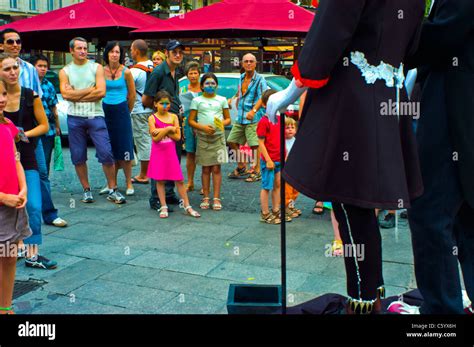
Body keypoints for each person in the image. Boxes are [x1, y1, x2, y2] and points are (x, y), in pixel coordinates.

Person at [267, 0, 425, 314]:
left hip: (351, 97)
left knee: (350, 205)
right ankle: (370, 296)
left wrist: (288, 94)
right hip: (386, 96)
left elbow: (326, 36)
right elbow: (412, 49)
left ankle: (363, 302)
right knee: (359, 207)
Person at [390, 0, 474, 314]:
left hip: (454, 110)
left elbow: (443, 34)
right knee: (465, 216)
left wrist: (391, 38)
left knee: (429, 212)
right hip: (457, 106)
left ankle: (441, 313)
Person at [1, 30, 67, 229]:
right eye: (10, 41)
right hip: (7, 135)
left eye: (18, 41)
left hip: (29, 134)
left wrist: (26, 133)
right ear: (2, 45)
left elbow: (36, 98)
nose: (15, 44)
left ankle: (48, 213)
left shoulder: (29, 68)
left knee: (40, 175)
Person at [1, 53, 58, 270]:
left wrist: (20, 134)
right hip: (4, 161)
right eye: (7, 69)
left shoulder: (29, 94)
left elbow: (44, 125)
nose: (13, 72)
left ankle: (32, 254)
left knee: (33, 205)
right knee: (8, 207)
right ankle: (11, 249)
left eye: (15, 67)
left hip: (26, 155)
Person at [59, 37, 125, 204]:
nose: (83, 51)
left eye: (85, 48)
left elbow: (101, 92)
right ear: (71, 51)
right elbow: (66, 95)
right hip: (75, 118)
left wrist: (76, 95)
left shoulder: (96, 67)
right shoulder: (65, 71)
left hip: (96, 115)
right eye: (79, 48)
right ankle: (86, 189)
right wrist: (90, 89)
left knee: (106, 153)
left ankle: (113, 189)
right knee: (78, 155)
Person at [0, 80, 31, 314]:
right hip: (4, 202)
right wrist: (3, 197)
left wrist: (23, 189)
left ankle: (5, 306)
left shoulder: (8, 125)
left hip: (15, 201)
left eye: (2, 93)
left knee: (10, 257)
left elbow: (16, 160)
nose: (2, 98)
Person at [143, 40, 185, 211]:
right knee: (160, 160)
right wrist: (160, 114)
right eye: (174, 51)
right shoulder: (159, 72)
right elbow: (146, 99)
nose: (177, 55)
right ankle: (156, 198)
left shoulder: (175, 71)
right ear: (166, 53)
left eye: (180, 52)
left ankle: (168, 194)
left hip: (173, 122)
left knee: (173, 158)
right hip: (162, 123)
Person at [147, 91, 200, 219]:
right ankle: (163, 205)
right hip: (158, 152)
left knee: (179, 179)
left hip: (170, 152)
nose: (165, 106)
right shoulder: (152, 118)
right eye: (161, 103)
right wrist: (168, 129)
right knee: (160, 180)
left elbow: (177, 137)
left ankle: (187, 205)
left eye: (167, 103)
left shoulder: (174, 117)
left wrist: (161, 130)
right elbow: (155, 139)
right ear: (155, 104)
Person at [188, 73, 231, 211]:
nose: (210, 86)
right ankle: (206, 196)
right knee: (205, 168)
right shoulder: (197, 101)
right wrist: (203, 128)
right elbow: (191, 121)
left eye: (213, 83)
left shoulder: (222, 99)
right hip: (203, 138)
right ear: (202, 86)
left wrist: (220, 124)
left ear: (217, 85)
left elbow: (228, 119)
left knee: (217, 168)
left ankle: (216, 197)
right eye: (207, 83)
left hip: (218, 137)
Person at [101, 41, 136, 196]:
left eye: (117, 52)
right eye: (112, 52)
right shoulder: (100, 71)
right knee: (109, 149)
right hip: (105, 110)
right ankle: (111, 183)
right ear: (107, 54)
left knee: (125, 148)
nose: (115, 55)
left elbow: (132, 95)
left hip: (122, 110)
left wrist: (126, 110)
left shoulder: (126, 72)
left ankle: (129, 183)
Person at [227, 53, 267, 182]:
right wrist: (232, 99)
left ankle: (257, 171)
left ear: (255, 64)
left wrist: (254, 111)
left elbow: (263, 97)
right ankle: (242, 165)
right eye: (246, 61)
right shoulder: (241, 77)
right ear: (242, 64)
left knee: (254, 145)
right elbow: (240, 93)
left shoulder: (260, 79)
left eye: (251, 61)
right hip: (240, 117)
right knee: (231, 141)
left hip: (253, 118)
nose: (249, 63)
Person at [257, 89, 292, 224]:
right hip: (269, 160)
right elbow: (260, 142)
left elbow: (282, 139)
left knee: (278, 185)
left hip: (279, 159)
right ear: (265, 105)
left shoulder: (280, 118)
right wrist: (268, 160)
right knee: (267, 186)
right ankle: (265, 213)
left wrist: (285, 154)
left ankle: (276, 209)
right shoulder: (264, 121)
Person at [129, 39, 154, 185]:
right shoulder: (155, 66)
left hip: (139, 110)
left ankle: (144, 174)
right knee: (151, 140)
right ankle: (151, 170)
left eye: (132, 49)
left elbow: (129, 93)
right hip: (153, 109)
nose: (130, 52)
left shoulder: (134, 71)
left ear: (136, 51)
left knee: (143, 141)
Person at [180, 61, 202, 192]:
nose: (193, 75)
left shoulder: (204, 89)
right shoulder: (183, 90)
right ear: (187, 75)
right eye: (190, 73)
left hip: (202, 123)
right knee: (190, 153)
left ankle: (205, 184)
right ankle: (190, 181)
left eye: (195, 73)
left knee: (203, 154)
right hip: (188, 123)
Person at [284, 117, 300, 219]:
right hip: (287, 170)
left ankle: (291, 206)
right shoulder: (282, 141)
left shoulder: (297, 141)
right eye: (287, 127)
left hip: (295, 169)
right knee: (288, 190)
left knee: (296, 190)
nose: (290, 129)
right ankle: (286, 208)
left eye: (292, 127)